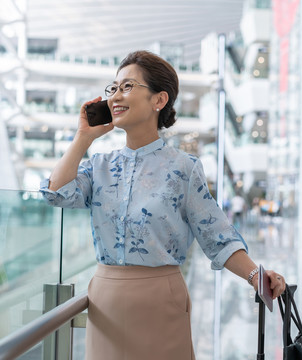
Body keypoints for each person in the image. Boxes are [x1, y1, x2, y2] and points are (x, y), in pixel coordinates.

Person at [40, 50, 285, 360]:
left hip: (161, 301)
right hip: (106, 301)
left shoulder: (183, 168)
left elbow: (216, 235)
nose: (116, 95)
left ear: (159, 100)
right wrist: (83, 138)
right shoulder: (99, 165)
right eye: (113, 88)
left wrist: (256, 277)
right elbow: (56, 193)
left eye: (128, 86)